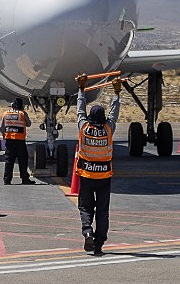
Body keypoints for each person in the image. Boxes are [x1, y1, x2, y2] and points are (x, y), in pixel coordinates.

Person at [75, 75, 120, 255]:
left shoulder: (84, 128)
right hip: (103, 177)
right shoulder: (108, 129)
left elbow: (80, 111)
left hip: (86, 176)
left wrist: (81, 88)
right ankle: (99, 242)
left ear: (90, 117)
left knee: (85, 207)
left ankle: (87, 232)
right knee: (102, 210)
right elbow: (114, 114)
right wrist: (117, 93)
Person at [0, 98, 34, 185]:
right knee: (23, 160)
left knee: (9, 161)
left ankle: (7, 180)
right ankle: (25, 179)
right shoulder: (22, 114)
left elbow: (2, 128)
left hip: (9, 140)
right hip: (20, 141)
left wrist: (5, 136)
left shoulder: (6, 114)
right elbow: (29, 124)